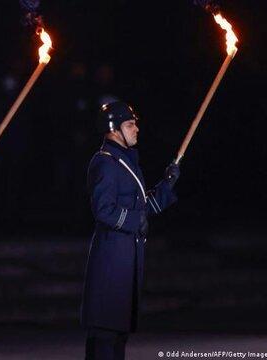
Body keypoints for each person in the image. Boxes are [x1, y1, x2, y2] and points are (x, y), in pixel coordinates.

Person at [81, 101, 180, 359]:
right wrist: (136, 221)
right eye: (130, 124)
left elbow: (141, 205)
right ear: (114, 130)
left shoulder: (125, 161)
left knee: (118, 337)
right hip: (111, 261)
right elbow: (104, 210)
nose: (136, 129)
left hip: (126, 259)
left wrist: (167, 185)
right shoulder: (105, 162)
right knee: (105, 336)